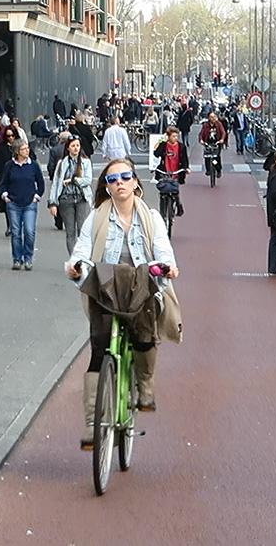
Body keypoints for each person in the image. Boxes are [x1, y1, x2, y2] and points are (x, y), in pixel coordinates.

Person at [65, 158, 179, 449]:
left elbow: (163, 248)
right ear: (106, 186)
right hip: (107, 288)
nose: (120, 183)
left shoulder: (151, 217)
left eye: (125, 177)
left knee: (144, 336)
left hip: (141, 285)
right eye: (113, 179)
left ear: (135, 182)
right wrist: (75, 265)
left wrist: (168, 266)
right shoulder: (98, 216)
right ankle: (93, 424)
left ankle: (145, 385)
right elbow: (82, 248)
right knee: (98, 348)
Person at [0, 138, 44, 270]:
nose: (27, 151)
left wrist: (37, 196)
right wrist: (5, 195)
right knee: (16, 233)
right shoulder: (9, 166)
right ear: (17, 151)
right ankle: (17, 259)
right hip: (13, 203)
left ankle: (28, 258)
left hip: (30, 203)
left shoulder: (33, 165)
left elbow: (40, 183)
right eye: (24, 149)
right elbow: (3, 183)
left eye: (27, 148)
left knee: (29, 231)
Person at [49, 136, 93, 254]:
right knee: (70, 232)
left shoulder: (86, 162)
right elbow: (56, 183)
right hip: (66, 199)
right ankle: (74, 260)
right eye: (73, 146)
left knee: (83, 230)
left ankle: (82, 257)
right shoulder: (62, 163)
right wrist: (52, 203)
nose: (76, 148)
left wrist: (73, 180)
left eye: (77, 146)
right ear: (68, 148)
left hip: (81, 198)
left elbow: (88, 180)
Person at [0, 127, 18, 236]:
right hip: (4, 179)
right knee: (7, 204)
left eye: (12, 135)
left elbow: (31, 159)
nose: (10, 138)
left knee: (17, 203)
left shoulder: (21, 147)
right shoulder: (1, 148)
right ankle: (10, 225)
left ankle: (16, 224)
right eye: (8, 136)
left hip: (18, 180)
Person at [152, 127, 190, 216]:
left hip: (176, 171)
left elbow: (184, 158)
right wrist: (160, 142)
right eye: (173, 136)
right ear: (168, 137)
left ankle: (178, 205)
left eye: (176, 136)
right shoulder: (163, 145)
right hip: (164, 170)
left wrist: (186, 168)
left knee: (175, 190)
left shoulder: (181, 146)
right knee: (163, 190)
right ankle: (163, 210)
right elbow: (156, 154)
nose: (175, 138)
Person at [198, 111, 227, 177]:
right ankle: (208, 170)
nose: (213, 118)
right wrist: (201, 140)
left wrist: (222, 139)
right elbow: (201, 134)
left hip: (217, 142)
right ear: (208, 118)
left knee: (216, 158)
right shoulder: (205, 125)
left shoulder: (218, 124)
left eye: (214, 117)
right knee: (207, 157)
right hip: (208, 142)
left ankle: (218, 169)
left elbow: (223, 132)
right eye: (211, 117)